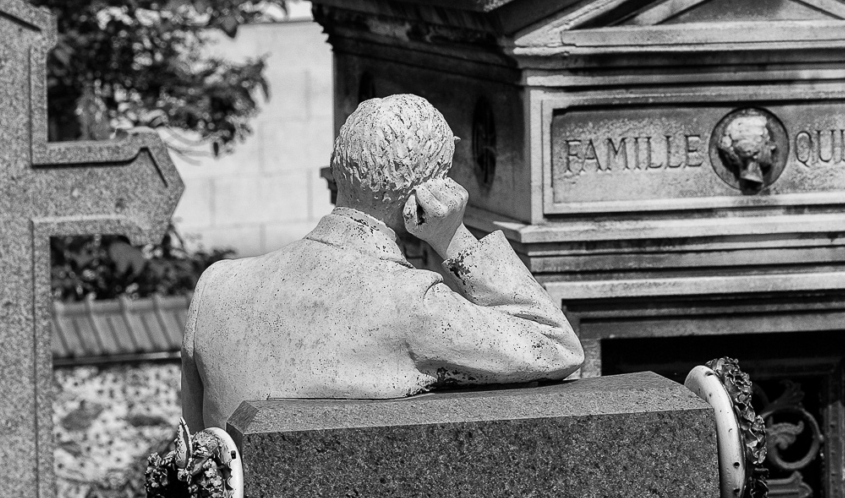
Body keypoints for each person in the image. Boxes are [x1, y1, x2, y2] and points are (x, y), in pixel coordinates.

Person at [180, 93, 584, 431]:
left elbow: (197, 454)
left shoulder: (217, 288)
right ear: (429, 193)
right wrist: (452, 236)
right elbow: (556, 345)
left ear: (339, 165)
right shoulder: (412, 306)